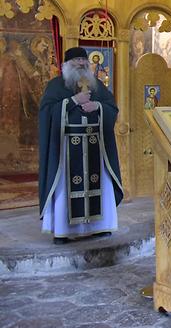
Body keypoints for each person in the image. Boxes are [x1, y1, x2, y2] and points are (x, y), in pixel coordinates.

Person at [38, 47, 124, 244]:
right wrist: (72, 101)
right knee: (64, 188)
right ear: (66, 65)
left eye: (84, 60)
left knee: (100, 185)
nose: (81, 63)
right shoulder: (56, 85)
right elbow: (47, 113)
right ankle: (63, 230)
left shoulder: (97, 85)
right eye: (76, 60)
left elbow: (112, 107)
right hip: (67, 148)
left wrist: (98, 107)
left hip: (95, 145)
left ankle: (100, 227)